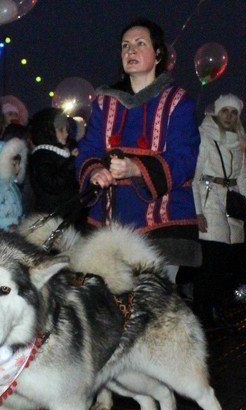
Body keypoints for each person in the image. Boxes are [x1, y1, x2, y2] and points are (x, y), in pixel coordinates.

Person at [76, 18, 200, 281]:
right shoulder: (104, 103)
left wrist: (136, 168)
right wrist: (95, 171)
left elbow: (184, 157)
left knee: (152, 309)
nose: (130, 51)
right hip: (109, 222)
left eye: (139, 44)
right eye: (125, 46)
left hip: (162, 225)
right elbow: (88, 149)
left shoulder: (178, 101)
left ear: (157, 54)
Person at [192, 94, 246, 325]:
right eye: (225, 111)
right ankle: (204, 313)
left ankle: (218, 310)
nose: (229, 116)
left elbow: (243, 181)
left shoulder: (239, 143)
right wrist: (197, 211)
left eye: (233, 113)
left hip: (231, 204)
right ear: (217, 113)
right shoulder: (204, 137)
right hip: (210, 200)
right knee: (211, 261)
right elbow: (194, 177)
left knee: (227, 264)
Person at [28, 107, 83, 224]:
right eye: (61, 129)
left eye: (67, 129)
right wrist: (72, 161)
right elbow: (53, 184)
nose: (67, 133)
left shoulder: (64, 153)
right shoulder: (40, 156)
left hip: (68, 217)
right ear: (49, 132)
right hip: (52, 219)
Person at [0, 136, 28, 231]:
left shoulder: (12, 185)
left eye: (18, 164)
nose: (18, 168)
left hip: (16, 234)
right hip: (2, 238)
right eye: (13, 164)